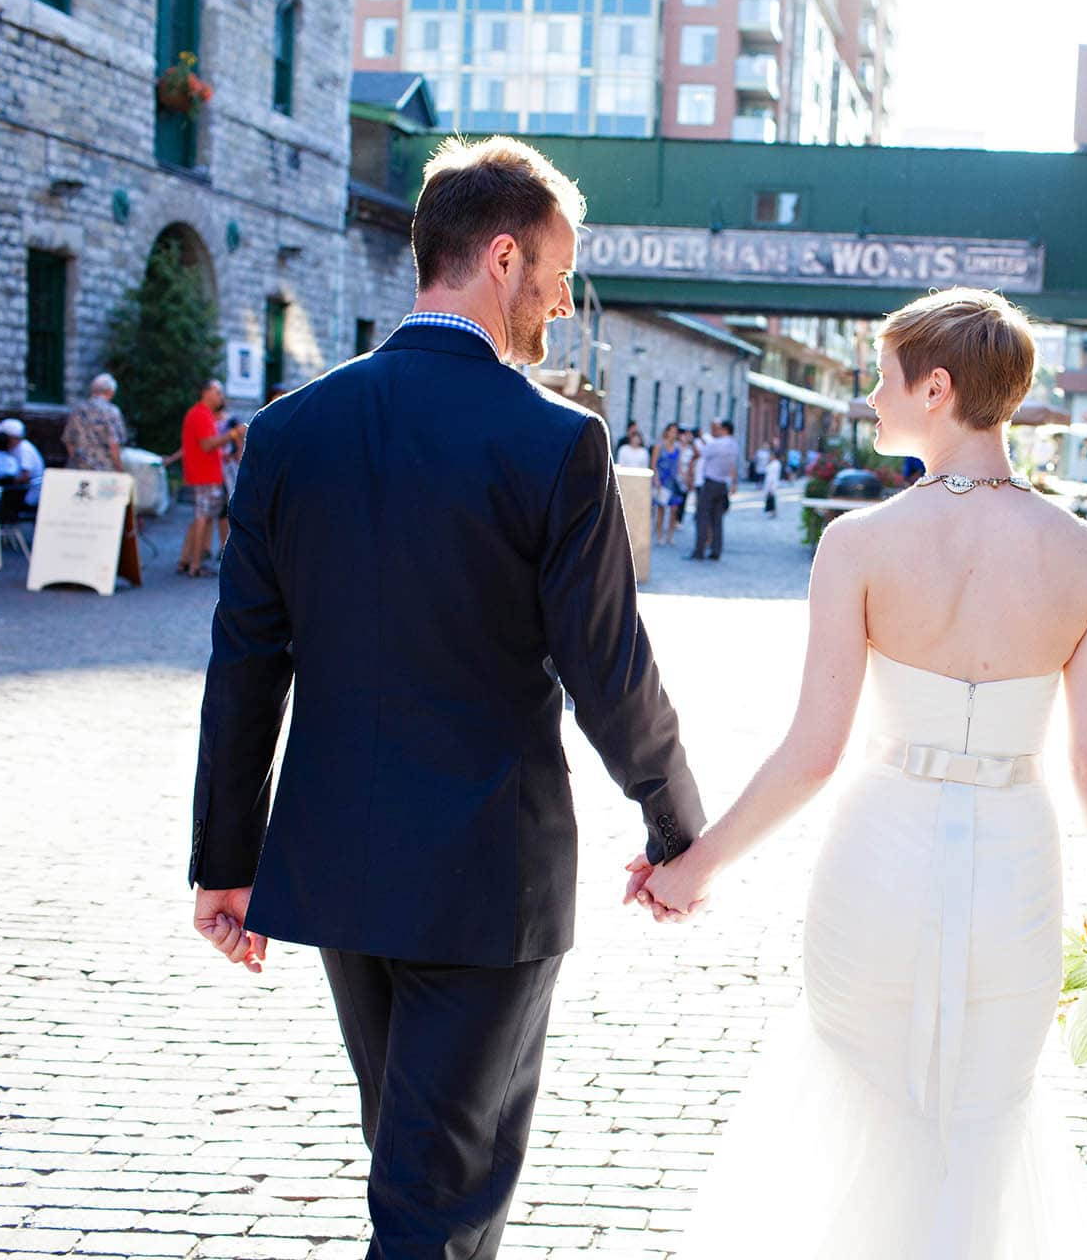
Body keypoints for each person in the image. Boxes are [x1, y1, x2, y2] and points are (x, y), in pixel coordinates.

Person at [188, 135, 703, 1259]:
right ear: (504, 257)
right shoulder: (555, 442)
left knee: (415, 1169)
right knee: (436, 1200)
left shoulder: (286, 434)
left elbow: (245, 663)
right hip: (488, 880)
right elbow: (609, 669)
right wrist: (678, 826)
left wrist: (225, 858)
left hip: (341, 868)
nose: (562, 302)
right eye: (559, 272)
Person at [634, 288, 1087, 1258]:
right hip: (1014, 863)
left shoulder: (860, 544)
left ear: (937, 386)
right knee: (986, 1114)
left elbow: (812, 752)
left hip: (878, 856)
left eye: (881, 380)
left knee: (857, 1093)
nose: (870, 400)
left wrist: (695, 865)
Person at [178, 380, 241, 577]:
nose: (220, 397)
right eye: (217, 392)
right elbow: (206, 445)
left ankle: (189, 560)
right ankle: (195, 565)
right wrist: (232, 434)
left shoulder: (202, 414)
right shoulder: (200, 414)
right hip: (204, 475)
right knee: (203, 519)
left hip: (207, 473)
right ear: (206, 393)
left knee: (203, 518)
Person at [689, 419, 739, 560]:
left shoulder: (717, 444)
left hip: (711, 482)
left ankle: (699, 550)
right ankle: (716, 550)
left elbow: (702, 453)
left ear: (724, 430)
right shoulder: (734, 445)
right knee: (717, 519)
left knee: (702, 516)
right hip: (723, 484)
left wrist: (696, 439)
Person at [64, 373, 128, 472]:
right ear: (110, 392)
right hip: (103, 469)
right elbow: (114, 443)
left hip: (79, 469)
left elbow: (68, 441)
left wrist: (79, 461)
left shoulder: (78, 409)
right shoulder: (111, 411)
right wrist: (119, 468)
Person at [0, 419, 44, 509]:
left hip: (29, 494)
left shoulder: (24, 449)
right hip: (22, 490)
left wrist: (4, 485)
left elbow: (25, 476)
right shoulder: (13, 448)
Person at [652, 422, 684, 546]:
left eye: (676, 432)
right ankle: (659, 535)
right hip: (662, 480)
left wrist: (683, 478)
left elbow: (679, 465)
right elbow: (654, 464)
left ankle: (670, 536)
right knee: (661, 509)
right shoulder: (659, 446)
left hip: (673, 481)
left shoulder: (677, 448)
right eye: (672, 431)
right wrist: (656, 479)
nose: (674, 434)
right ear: (667, 432)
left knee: (674, 509)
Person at [762, 440, 783, 517]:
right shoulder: (773, 463)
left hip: (772, 483)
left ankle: (774, 512)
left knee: (772, 499)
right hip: (770, 482)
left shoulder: (776, 464)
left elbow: (773, 476)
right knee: (771, 498)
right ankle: (772, 512)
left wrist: (770, 486)